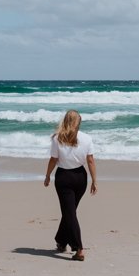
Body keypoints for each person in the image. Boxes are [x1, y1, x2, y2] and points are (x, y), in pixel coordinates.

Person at [43, 109, 97, 261]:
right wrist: (94, 180)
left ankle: (79, 249)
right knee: (70, 212)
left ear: (65, 121)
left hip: (64, 177)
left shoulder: (57, 138)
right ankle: (61, 241)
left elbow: (53, 159)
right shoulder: (87, 138)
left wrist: (47, 175)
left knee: (70, 213)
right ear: (79, 122)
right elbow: (91, 160)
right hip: (81, 177)